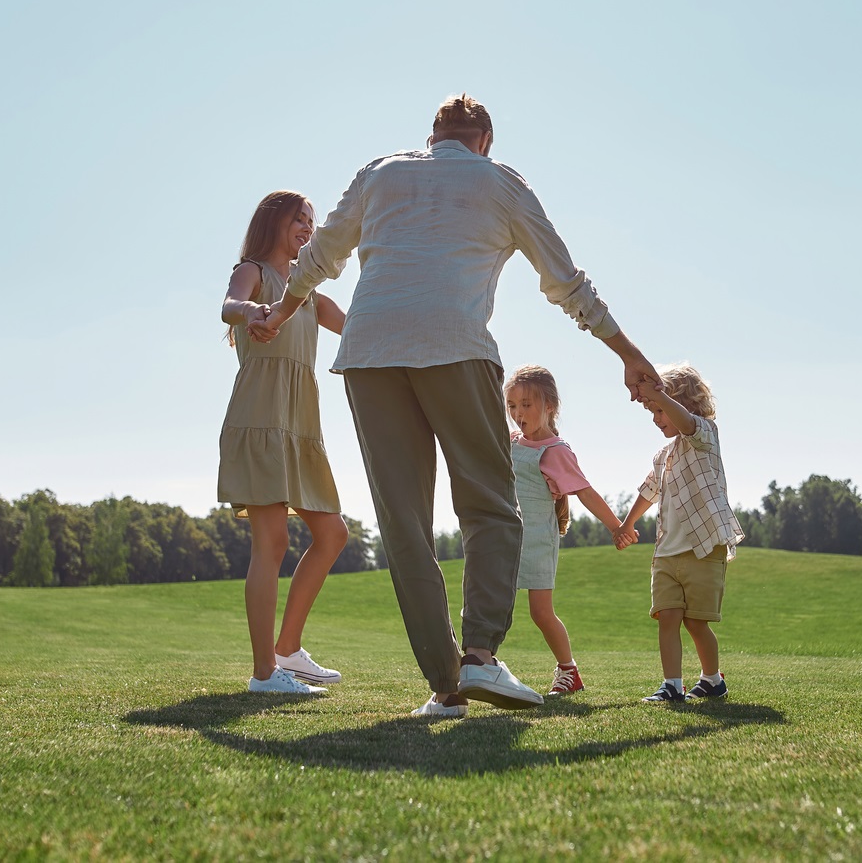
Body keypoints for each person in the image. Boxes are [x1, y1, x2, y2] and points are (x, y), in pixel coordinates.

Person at [253, 94, 659, 718]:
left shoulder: (381, 172)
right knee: (491, 506)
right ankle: (478, 658)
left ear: (432, 136)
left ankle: (446, 686)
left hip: (369, 354)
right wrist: (628, 353)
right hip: (455, 349)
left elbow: (321, 256)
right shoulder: (500, 182)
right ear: (485, 141)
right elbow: (566, 282)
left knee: (406, 525)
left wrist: (281, 310)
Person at [218, 190, 350, 694]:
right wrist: (247, 313)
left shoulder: (308, 291)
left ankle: (288, 650)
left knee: (332, 534)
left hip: (300, 426)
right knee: (271, 543)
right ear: (275, 221)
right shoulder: (252, 270)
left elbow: (357, 326)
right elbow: (230, 303)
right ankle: (264, 674)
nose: (307, 230)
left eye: (312, 224)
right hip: (260, 417)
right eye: (300, 220)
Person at [503, 365, 637, 697]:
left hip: (537, 540)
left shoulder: (556, 451)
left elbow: (585, 491)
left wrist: (617, 526)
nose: (518, 413)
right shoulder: (509, 441)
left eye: (527, 405)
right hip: (505, 537)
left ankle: (568, 670)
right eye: (512, 406)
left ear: (550, 406)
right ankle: (480, 662)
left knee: (540, 612)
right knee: (492, 602)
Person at [616, 363, 743, 704]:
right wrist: (627, 524)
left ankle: (712, 679)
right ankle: (672, 685)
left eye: (659, 410)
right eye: (653, 412)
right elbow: (648, 489)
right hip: (667, 554)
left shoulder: (704, 434)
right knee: (667, 617)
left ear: (683, 404)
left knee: (696, 623)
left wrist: (659, 394)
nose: (656, 418)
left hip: (703, 548)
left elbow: (685, 422)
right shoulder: (663, 455)